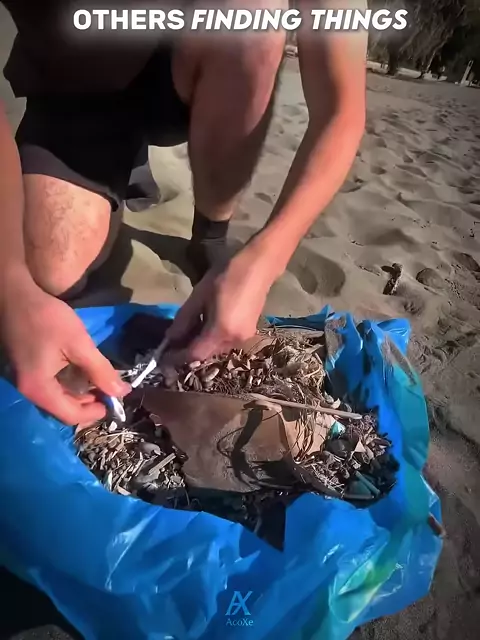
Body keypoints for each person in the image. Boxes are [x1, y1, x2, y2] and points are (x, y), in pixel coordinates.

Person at [0, 0, 367, 426]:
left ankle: (210, 233)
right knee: (51, 271)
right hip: (75, 81)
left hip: (188, 64)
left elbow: (341, 107)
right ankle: (115, 163)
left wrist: (267, 257)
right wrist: (11, 285)